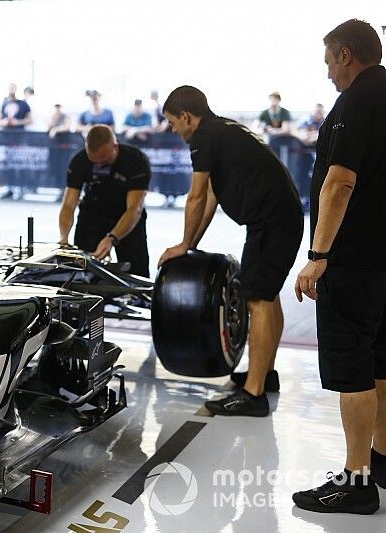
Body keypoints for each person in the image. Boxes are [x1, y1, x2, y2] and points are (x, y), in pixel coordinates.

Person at [159, 86, 303, 417]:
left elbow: (195, 197)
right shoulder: (221, 130)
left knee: (258, 300)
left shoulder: (204, 137)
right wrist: (190, 244)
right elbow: (210, 197)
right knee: (267, 296)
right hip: (278, 218)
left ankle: (253, 395)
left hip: (270, 221)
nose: (174, 130)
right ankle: (265, 375)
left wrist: (182, 244)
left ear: (186, 116)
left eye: (173, 122)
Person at [292, 19, 386, 515]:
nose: (328, 72)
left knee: (353, 371)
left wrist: (318, 256)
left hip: (351, 262)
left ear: (345, 54)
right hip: (384, 260)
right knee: (381, 364)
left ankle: (356, 482)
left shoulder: (356, 101)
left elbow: (339, 182)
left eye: (329, 60)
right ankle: (382, 463)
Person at [58, 124, 151, 277]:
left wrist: (113, 238)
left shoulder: (136, 160)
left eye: (104, 161)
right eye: (94, 162)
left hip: (126, 217)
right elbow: (68, 204)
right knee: (81, 272)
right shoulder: (79, 161)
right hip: (92, 216)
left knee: (136, 275)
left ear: (115, 146)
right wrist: (63, 238)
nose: (99, 166)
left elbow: (135, 208)